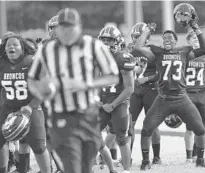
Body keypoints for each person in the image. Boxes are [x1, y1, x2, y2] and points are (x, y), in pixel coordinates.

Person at [27, 8, 119, 173]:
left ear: (79, 27)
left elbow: (113, 77)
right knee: (71, 165)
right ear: (56, 29)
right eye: (62, 27)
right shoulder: (47, 49)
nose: (66, 31)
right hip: (60, 115)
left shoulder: (94, 46)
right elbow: (32, 80)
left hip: (88, 114)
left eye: (70, 27)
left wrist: (85, 83)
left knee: (86, 165)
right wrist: (44, 89)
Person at [134, 20, 205, 170]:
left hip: (181, 97)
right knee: (146, 130)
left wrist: (196, 29)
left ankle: (200, 159)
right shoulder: (157, 52)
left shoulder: (185, 51)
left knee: (200, 130)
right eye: (164, 38)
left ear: (175, 41)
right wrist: (147, 30)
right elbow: (137, 47)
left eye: (170, 38)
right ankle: (145, 161)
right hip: (163, 98)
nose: (167, 40)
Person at [0, 35, 51, 173]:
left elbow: (45, 89)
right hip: (7, 108)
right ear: (4, 49)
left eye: (15, 45)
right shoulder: (2, 63)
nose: (11, 47)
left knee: (39, 146)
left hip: (30, 107)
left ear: (22, 48)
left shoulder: (32, 62)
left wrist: (30, 106)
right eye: (8, 45)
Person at [98, 25, 135, 173]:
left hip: (119, 103)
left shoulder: (123, 58)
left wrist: (112, 105)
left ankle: (126, 170)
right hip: (102, 102)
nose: (106, 44)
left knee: (121, 138)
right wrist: (101, 103)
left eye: (110, 40)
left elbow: (129, 88)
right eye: (104, 41)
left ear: (118, 41)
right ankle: (109, 166)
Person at [128, 22, 161, 165]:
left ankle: (157, 156)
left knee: (152, 125)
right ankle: (127, 156)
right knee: (129, 125)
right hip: (135, 92)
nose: (136, 39)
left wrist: (146, 78)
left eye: (138, 36)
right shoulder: (130, 51)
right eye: (134, 37)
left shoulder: (153, 51)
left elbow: (160, 74)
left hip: (151, 90)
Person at [184, 30, 205, 163]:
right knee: (189, 127)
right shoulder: (184, 54)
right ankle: (189, 157)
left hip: (202, 92)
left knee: (203, 126)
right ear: (188, 41)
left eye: (197, 37)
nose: (195, 39)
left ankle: (197, 154)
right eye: (192, 38)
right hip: (188, 93)